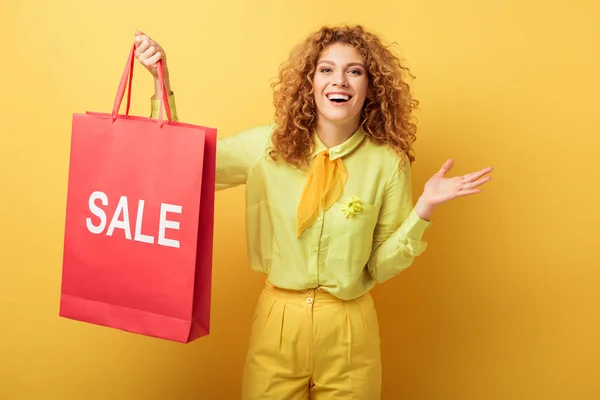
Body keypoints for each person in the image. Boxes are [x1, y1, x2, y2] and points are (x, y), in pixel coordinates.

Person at [133, 25, 492, 399]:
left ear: (371, 86)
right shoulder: (265, 147)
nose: (340, 81)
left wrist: (424, 209)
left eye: (355, 71)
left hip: (350, 329)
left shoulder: (388, 163)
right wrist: (162, 83)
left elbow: (380, 266)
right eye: (326, 69)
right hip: (278, 322)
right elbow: (182, 165)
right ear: (310, 81)